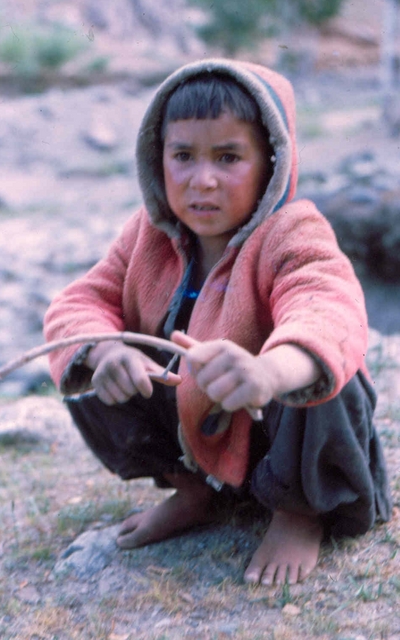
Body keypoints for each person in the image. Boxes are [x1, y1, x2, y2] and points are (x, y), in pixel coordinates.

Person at [43, 58, 392, 586]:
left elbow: (327, 307)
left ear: (272, 161)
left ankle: (298, 512)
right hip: (202, 434)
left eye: (228, 157)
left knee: (325, 377)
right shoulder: (148, 235)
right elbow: (78, 302)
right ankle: (193, 491)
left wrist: (270, 372)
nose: (202, 181)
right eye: (183, 155)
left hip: (276, 435)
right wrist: (107, 355)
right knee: (87, 361)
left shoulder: (292, 231)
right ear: (156, 159)